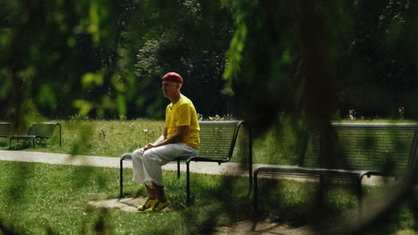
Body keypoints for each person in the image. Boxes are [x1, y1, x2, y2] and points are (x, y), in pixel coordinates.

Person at [131, 72, 200, 212]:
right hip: (175, 144)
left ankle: (162, 200)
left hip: (187, 146)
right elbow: (165, 134)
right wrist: (151, 145)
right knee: (137, 154)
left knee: (150, 155)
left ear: (178, 86)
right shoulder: (169, 107)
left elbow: (179, 136)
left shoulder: (184, 105)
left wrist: (154, 147)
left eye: (167, 85)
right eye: (163, 85)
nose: (164, 88)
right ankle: (152, 197)